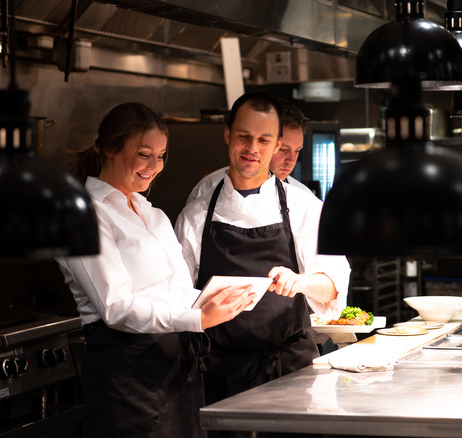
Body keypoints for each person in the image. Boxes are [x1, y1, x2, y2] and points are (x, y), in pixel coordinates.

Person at [55, 102, 256, 438]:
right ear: (108, 148)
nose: (154, 166)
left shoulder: (154, 215)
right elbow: (115, 307)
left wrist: (219, 296)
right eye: (144, 154)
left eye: (161, 156)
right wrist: (198, 318)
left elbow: (175, 293)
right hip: (128, 376)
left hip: (178, 371)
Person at [174, 92, 351, 421]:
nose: (252, 148)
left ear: (276, 143)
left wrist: (300, 282)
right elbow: (177, 298)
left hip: (290, 372)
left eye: (264, 140)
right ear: (228, 135)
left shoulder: (303, 207)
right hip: (217, 373)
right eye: (244, 137)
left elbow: (333, 287)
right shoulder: (196, 215)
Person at [184, 99, 314, 204]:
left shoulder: (304, 198)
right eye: (283, 149)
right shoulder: (207, 188)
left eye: (297, 151)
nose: (291, 161)